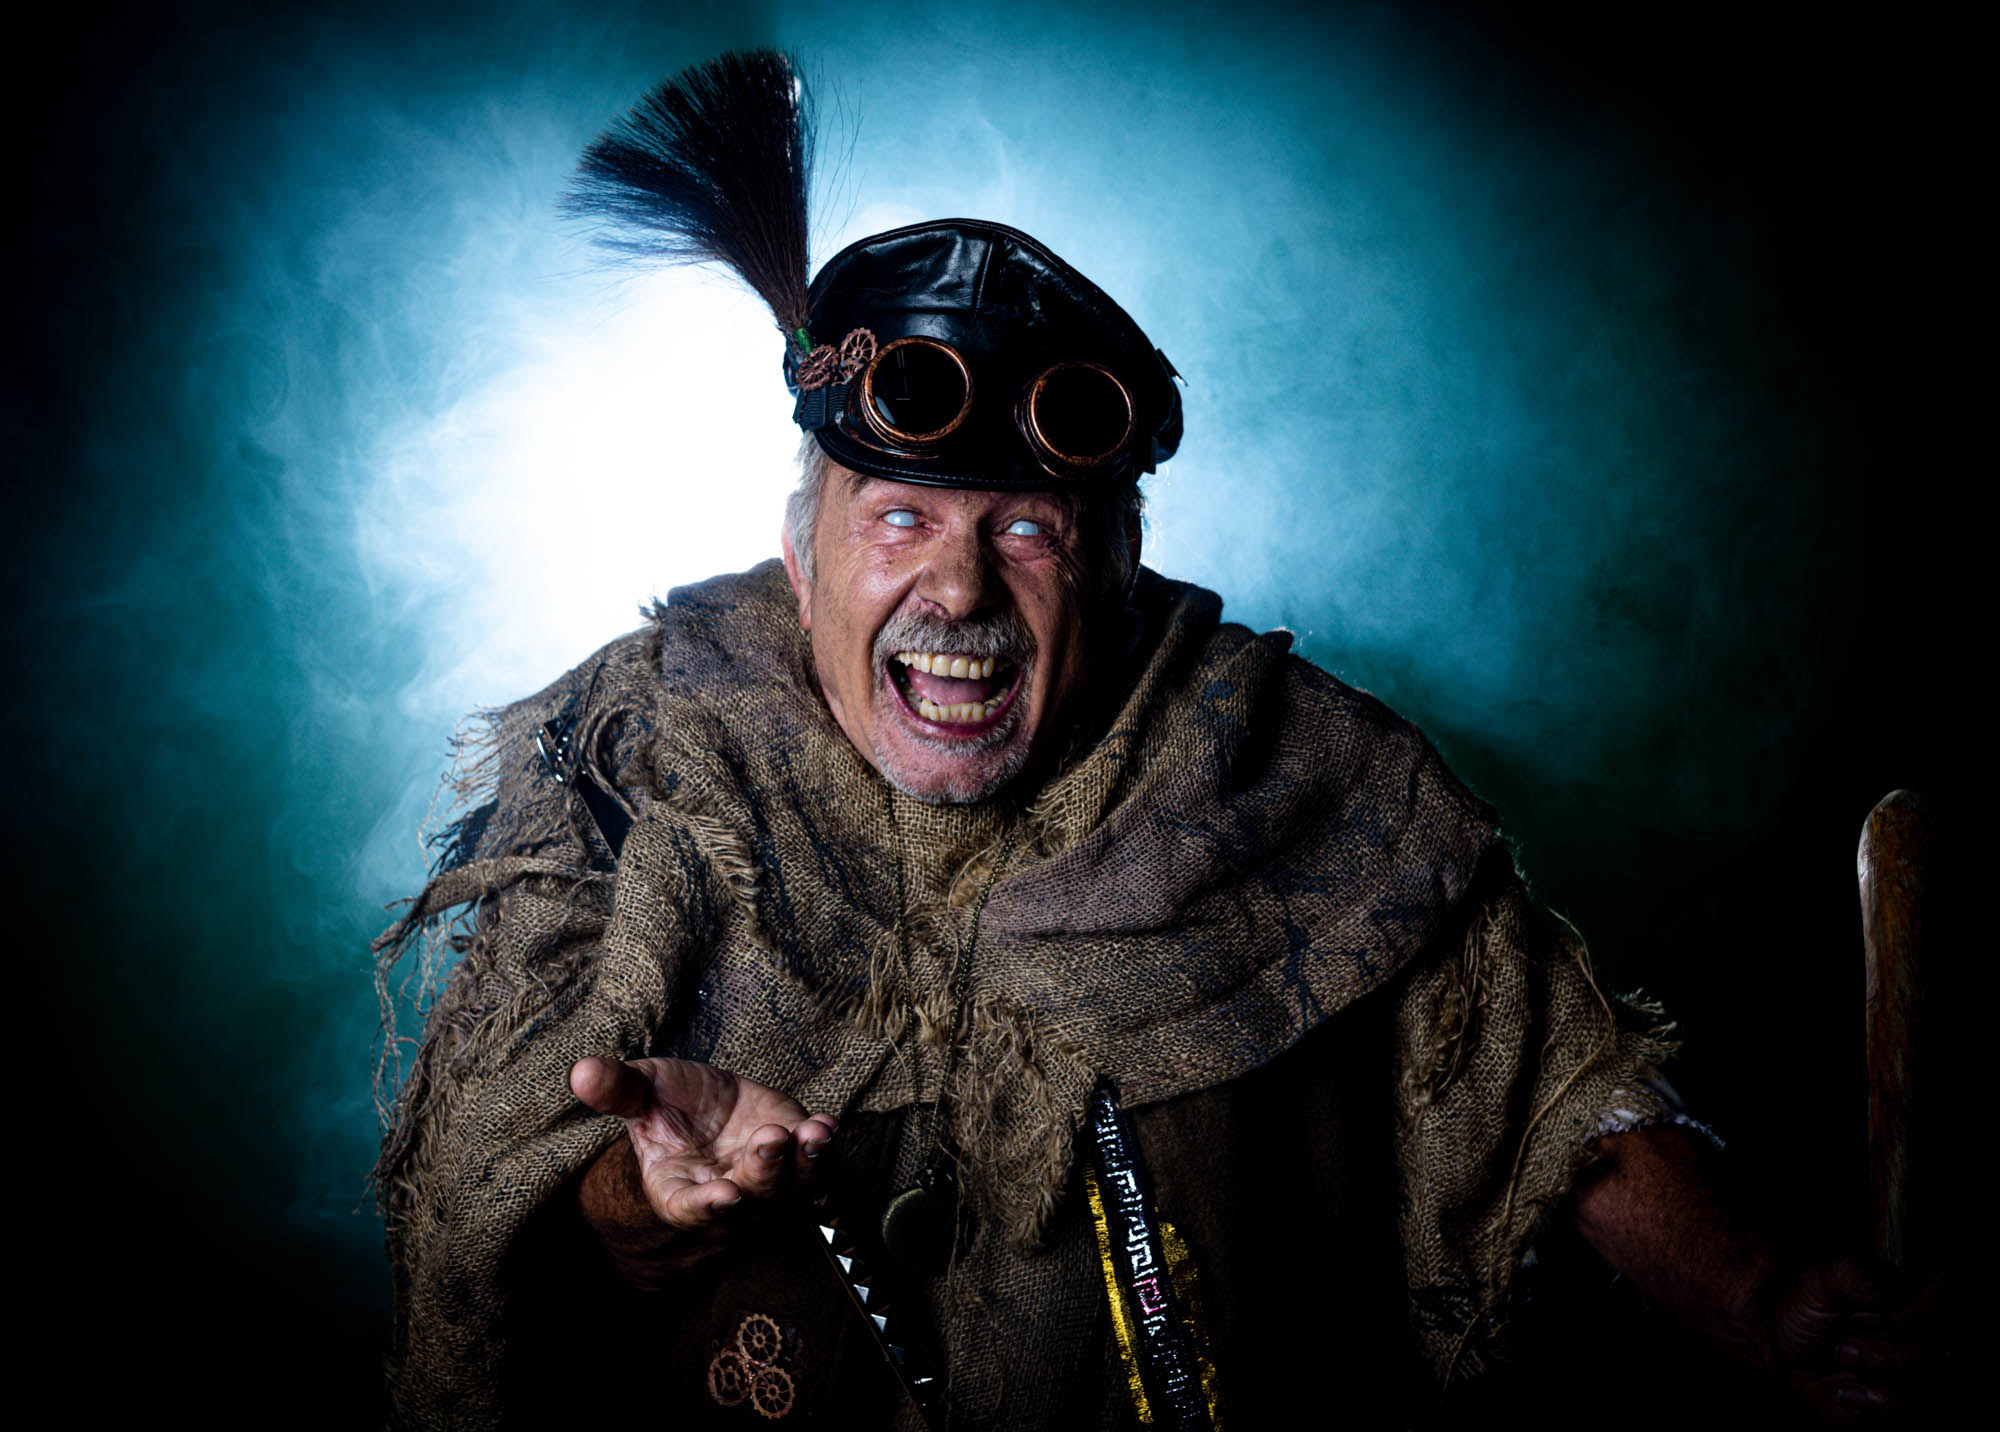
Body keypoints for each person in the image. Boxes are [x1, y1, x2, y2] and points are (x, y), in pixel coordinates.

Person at [372, 51, 1917, 1430]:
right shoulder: (635, 765)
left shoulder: (1299, 773)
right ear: (805, 555)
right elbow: (501, 1243)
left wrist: (1752, 1295)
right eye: (901, 518)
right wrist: (653, 1205)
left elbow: (1549, 1096)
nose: (959, 591)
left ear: (1120, 566)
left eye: (1029, 531)